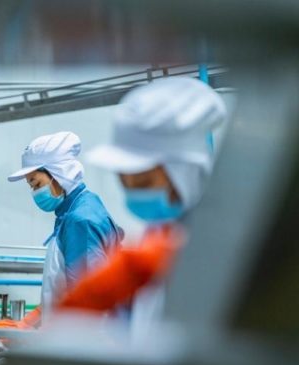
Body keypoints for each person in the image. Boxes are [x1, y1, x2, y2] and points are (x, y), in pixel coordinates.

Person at [57, 77, 227, 336]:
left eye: (144, 181)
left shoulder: (226, 244)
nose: (133, 192)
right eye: (124, 182)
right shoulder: (158, 234)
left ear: (184, 173)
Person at [0, 131, 123, 329]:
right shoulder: (73, 211)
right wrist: (27, 324)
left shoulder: (81, 220)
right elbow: (62, 291)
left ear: (59, 173)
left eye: (36, 183)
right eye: (31, 186)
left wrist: (42, 342)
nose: (35, 193)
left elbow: (88, 307)